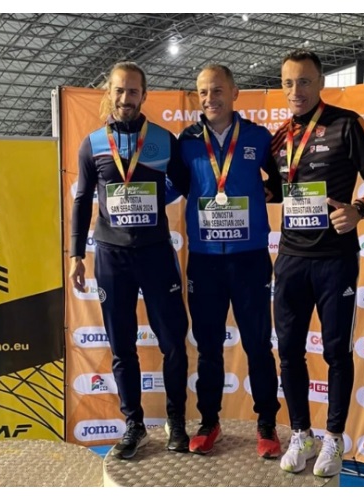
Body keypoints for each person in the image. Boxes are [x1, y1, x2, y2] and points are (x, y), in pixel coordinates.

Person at [270, 50, 364, 477]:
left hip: (334, 261)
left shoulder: (346, 123)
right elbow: (273, 191)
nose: (295, 91)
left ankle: (333, 438)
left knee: (336, 353)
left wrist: (360, 210)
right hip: (290, 259)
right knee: (288, 352)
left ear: (320, 81)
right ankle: (301, 433)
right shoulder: (280, 135)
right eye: (288, 83)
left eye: (304, 81)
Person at [68, 61, 190, 460]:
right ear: (109, 91)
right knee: (122, 347)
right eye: (119, 90)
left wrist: (159, 201)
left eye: (133, 91)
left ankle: (177, 421)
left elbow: (185, 184)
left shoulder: (162, 139)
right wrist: (75, 255)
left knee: (173, 342)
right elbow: (83, 199)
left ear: (144, 94)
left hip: (155, 252)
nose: (125, 98)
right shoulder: (92, 143)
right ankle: (133, 424)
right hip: (110, 256)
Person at [167, 64, 283, 458]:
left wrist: (262, 195)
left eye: (217, 91)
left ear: (234, 93)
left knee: (256, 344)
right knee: (209, 347)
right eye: (202, 92)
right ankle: (209, 421)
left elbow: (282, 184)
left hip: (249, 259)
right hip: (204, 261)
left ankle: (266, 423)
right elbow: (178, 185)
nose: (209, 99)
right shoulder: (186, 141)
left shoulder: (258, 137)